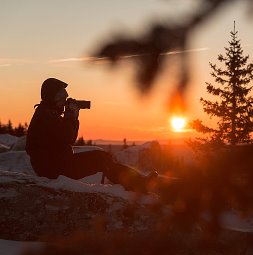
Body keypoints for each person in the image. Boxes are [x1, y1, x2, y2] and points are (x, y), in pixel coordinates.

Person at [25, 78, 157, 193]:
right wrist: (71, 116)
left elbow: (67, 138)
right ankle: (139, 185)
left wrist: (72, 117)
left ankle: (137, 183)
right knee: (100, 159)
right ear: (52, 97)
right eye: (62, 98)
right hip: (53, 169)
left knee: (102, 157)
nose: (64, 101)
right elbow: (67, 138)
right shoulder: (46, 116)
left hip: (54, 165)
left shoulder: (47, 113)